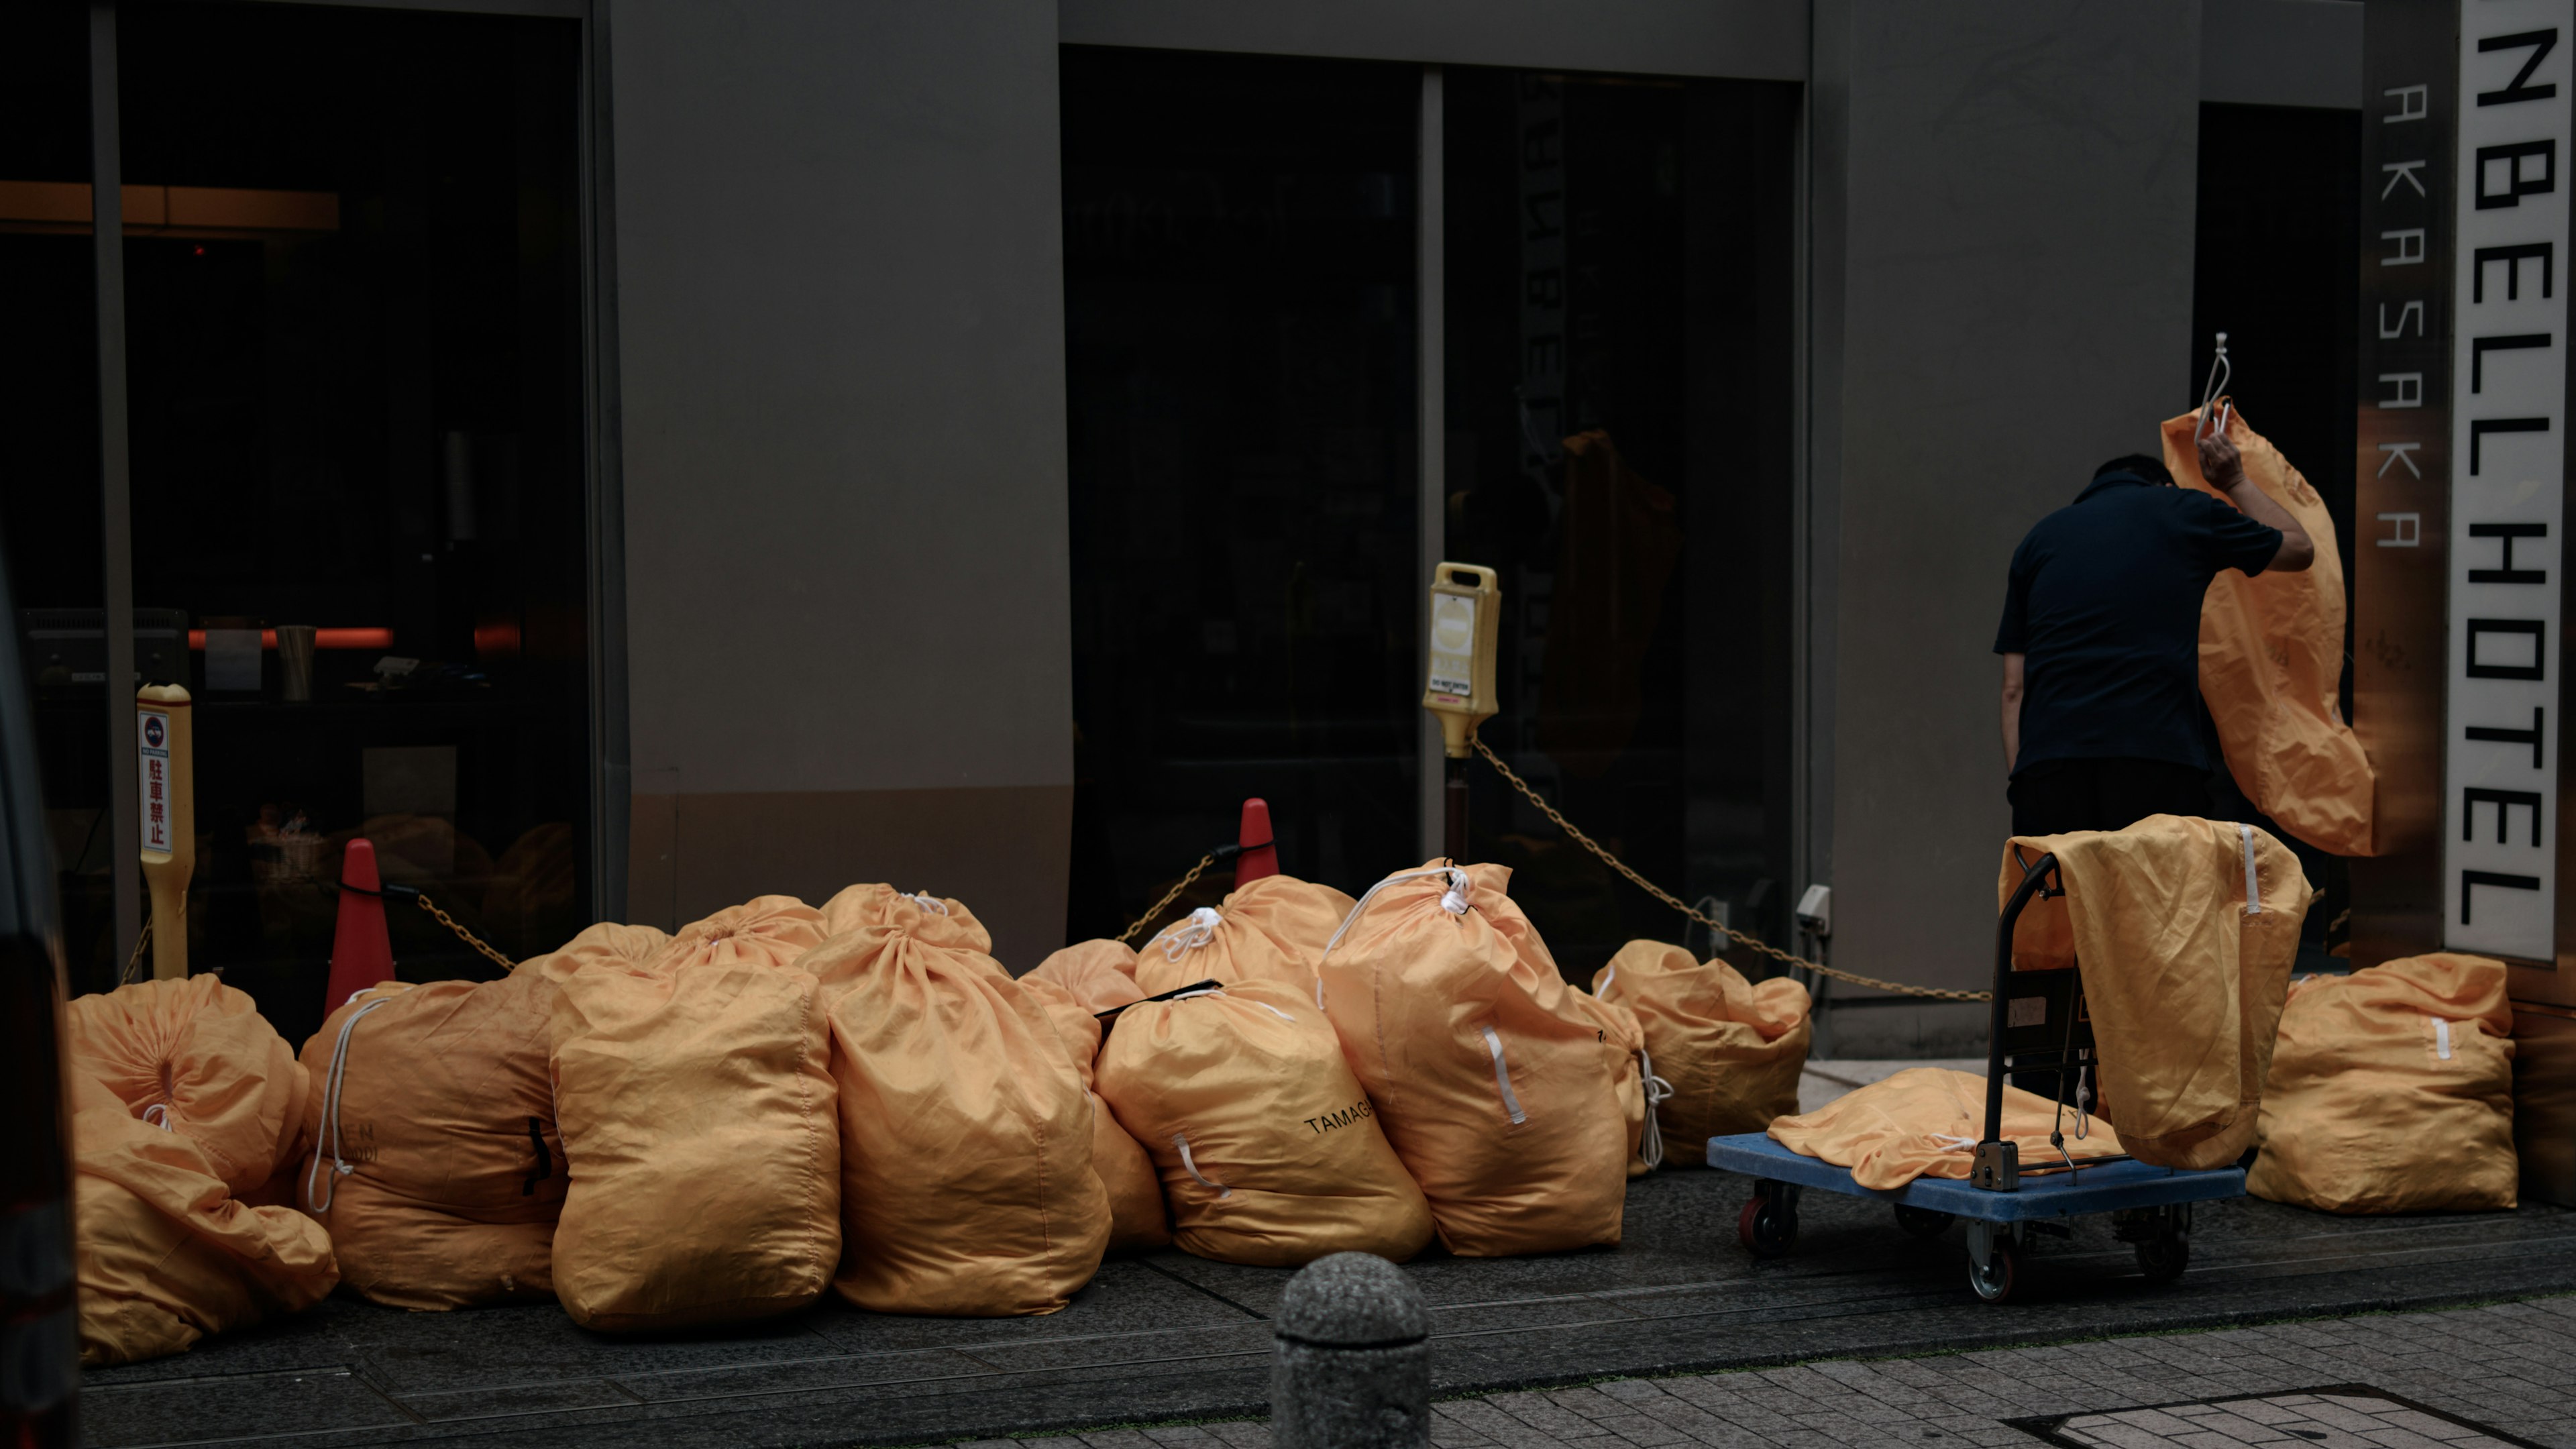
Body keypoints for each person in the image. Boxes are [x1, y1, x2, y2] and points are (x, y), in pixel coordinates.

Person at [1996, 428, 2314, 837]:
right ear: (2163, 485)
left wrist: (2023, 781)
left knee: (2065, 900)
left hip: (2048, 769)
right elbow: (2298, 548)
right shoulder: (2180, 509)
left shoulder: (2037, 540)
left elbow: (2012, 689)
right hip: (2153, 757)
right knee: (2155, 898)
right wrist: (2234, 481)